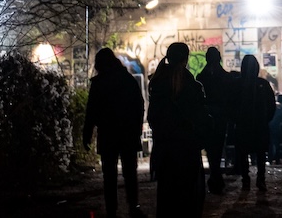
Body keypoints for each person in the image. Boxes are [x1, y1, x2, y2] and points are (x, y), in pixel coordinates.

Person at [147, 42, 209, 218]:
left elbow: (153, 118)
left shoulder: (157, 84)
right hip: (187, 151)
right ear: (186, 59)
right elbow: (202, 118)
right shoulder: (193, 87)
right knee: (189, 199)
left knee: (167, 199)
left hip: (165, 150)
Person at [82, 47, 146, 218]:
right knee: (130, 173)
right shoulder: (128, 80)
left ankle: (112, 210)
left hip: (108, 134)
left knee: (109, 175)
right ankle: (133, 206)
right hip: (128, 134)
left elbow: (92, 111)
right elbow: (139, 105)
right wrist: (137, 127)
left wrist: (87, 134)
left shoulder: (99, 83)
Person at [231, 53, 277, 191]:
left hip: (243, 126)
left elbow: (230, 106)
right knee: (261, 154)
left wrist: (236, 120)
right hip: (260, 126)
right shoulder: (263, 84)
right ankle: (260, 180)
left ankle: (246, 181)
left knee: (243, 155)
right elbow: (271, 106)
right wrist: (265, 119)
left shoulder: (237, 85)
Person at [195, 45, 231, 194]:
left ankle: (215, 177)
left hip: (208, 117)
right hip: (219, 117)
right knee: (216, 148)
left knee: (211, 149)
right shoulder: (225, 77)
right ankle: (216, 178)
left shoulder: (201, 78)